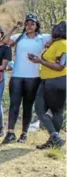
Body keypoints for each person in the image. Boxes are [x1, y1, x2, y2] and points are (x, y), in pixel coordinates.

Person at [1, 14, 51, 144]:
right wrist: (14, 28)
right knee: (14, 105)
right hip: (17, 76)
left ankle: (24, 133)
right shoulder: (19, 37)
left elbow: (57, 38)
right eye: (27, 23)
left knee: (28, 106)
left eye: (32, 24)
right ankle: (10, 132)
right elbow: (5, 42)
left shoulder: (42, 38)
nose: (29, 26)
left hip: (33, 77)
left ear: (36, 26)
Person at [32, 21, 66, 149]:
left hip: (56, 80)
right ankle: (55, 138)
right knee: (43, 110)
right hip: (48, 80)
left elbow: (60, 66)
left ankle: (54, 138)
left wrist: (40, 61)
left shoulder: (63, 44)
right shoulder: (55, 43)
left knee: (49, 111)